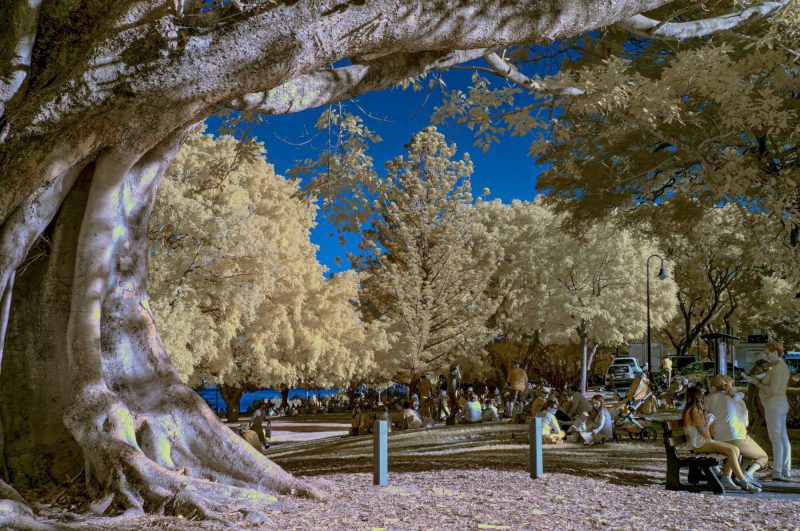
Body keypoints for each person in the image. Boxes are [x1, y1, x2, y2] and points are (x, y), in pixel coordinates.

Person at [682, 386, 760, 493]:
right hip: (699, 444)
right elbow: (704, 432)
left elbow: (707, 431)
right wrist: (709, 420)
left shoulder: (696, 410)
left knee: (736, 449)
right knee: (731, 450)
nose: (703, 398)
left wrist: (706, 415)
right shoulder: (693, 411)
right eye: (702, 396)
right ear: (698, 396)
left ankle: (727, 478)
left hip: (704, 442)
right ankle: (743, 482)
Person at [705, 375, 768, 487]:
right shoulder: (735, 399)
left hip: (718, 438)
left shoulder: (707, 399)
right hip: (736, 436)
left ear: (712, 387)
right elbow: (746, 422)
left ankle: (731, 475)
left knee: (743, 452)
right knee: (763, 457)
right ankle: (747, 475)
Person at [746, 340, 791, 481]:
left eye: (767, 353)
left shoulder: (779, 369)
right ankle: (785, 469)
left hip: (774, 405)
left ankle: (777, 471)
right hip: (778, 405)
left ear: (775, 353)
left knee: (776, 438)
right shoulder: (778, 367)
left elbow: (773, 390)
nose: (766, 356)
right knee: (782, 438)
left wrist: (756, 383)